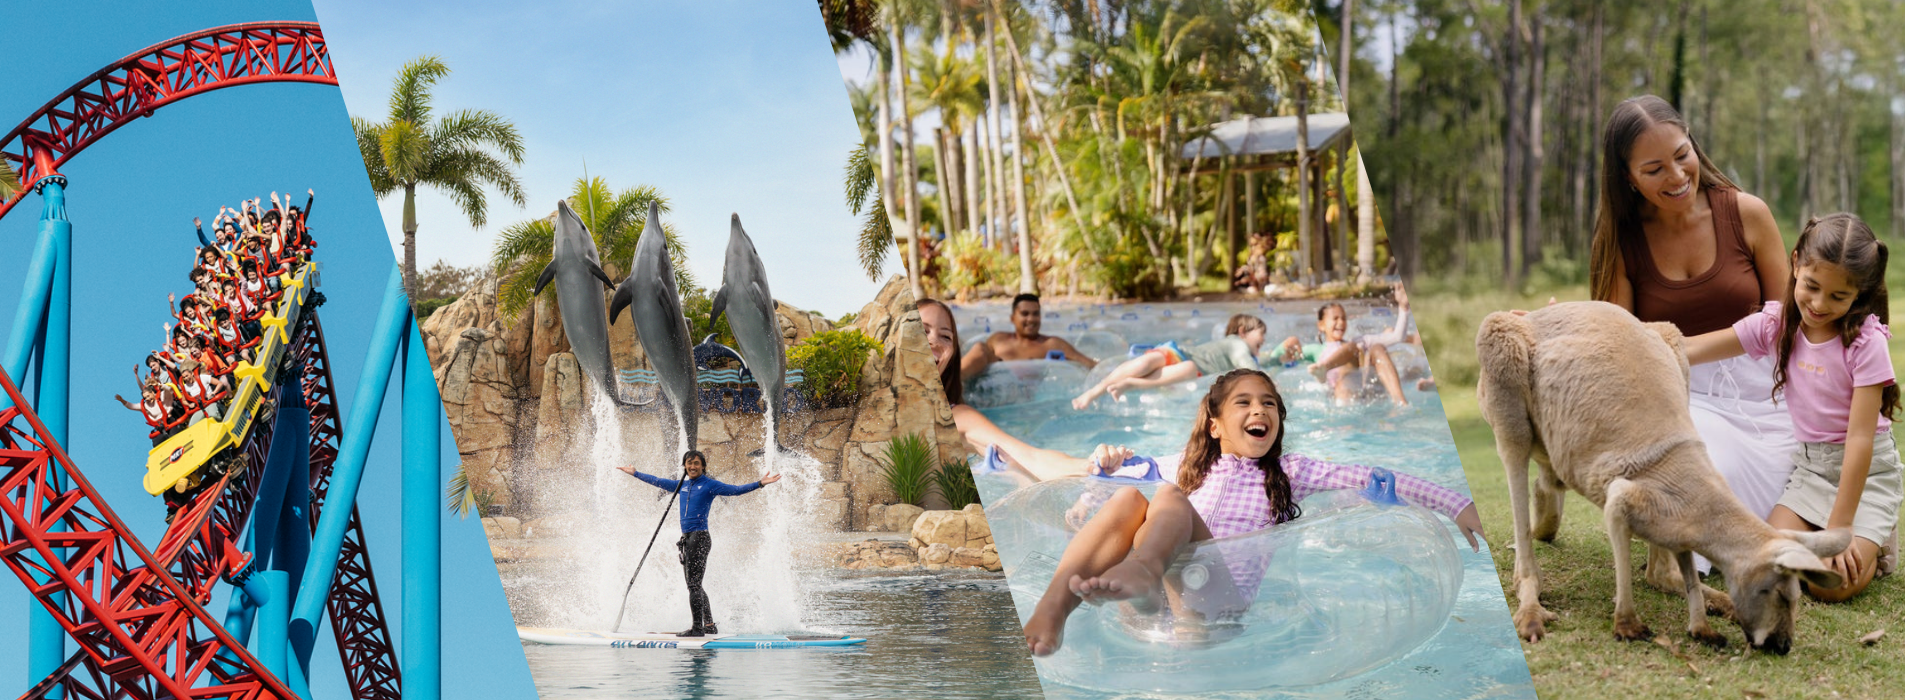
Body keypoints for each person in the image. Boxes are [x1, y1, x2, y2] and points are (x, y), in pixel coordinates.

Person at [1020, 369, 1484, 656]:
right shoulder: (1182, 466)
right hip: (1160, 601)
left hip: (1215, 608)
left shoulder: (1288, 470)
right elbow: (1105, 490)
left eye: (1269, 404)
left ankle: (1143, 572)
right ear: (1215, 424)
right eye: (1243, 402)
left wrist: (1456, 504)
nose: (1259, 409)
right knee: (1132, 498)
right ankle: (1054, 609)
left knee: (1167, 498)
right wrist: (1100, 472)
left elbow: (1371, 476)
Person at [1587, 95, 1821, 579]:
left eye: (1681, 154)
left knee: (1819, 467)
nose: (1675, 177)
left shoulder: (1747, 213)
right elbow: (1621, 345)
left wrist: (1689, 346)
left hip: (1771, 391)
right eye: (1653, 169)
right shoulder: (1621, 242)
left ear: (1693, 143)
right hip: (1683, 399)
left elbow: (1788, 316)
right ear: (1626, 177)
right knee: (1712, 469)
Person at [1682, 213, 1899, 601]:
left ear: (1859, 294)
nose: (1818, 304)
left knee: (1829, 587)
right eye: (1812, 286)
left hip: (1866, 475)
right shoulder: (1776, 324)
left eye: (1838, 296)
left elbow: (1860, 439)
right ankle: (1837, 534)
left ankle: (1874, 536)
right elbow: (1689, 348)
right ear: (1795, 262)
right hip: (1811, 469)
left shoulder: (1866, 344)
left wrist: (1840, 528)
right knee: (1770, 559)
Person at [617, 451, 782, 636]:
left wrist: (759, 483)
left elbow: (735, 490)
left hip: (700, 538)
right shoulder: (683, 485)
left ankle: (697, 629)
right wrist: (636, 473)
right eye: (689, 464)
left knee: (694, 585)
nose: (693, 467)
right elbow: (658, 481)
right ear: (685, 466)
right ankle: (709, 625)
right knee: (695, 585)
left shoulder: (709, 485)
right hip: (687, 539)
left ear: (703, 466)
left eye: (696, 463)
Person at [1071, 314, 1268, 410]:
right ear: (1243, 332)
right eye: (1261, 334)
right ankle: (1096, 391)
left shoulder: (1239, 346)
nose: (1264, 340)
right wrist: (1268, 382)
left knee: (1170, 365)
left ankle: (1122, 385)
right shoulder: (1238, 344)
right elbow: (1250, 369)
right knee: (1154, 362)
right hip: (1181, 354)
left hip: (1184, 361)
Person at [1275, 285, 1412, 405]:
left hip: (1367, 391)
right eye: (1335, 318)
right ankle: (1324, 368)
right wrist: (1285, 346)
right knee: (1354, 348)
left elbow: (1398, 337)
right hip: (1344, 394)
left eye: (1344, 318)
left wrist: (1403, 307)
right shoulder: (1316, 350)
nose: (1341, 323)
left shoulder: (1358, 341)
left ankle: (1400, 402)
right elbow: (1280, 359)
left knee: (1376, 348)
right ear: (1321, 325)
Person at [961, 293, 1097, 376]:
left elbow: (1089, 364)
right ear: (1012, 318)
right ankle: (950, 382)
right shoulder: (998, 339)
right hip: (998, 390)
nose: (1031, 319)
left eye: (1035, 314)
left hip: (1026, 397)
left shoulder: (1052, 344)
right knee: (979, 347)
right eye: (1025, 314)